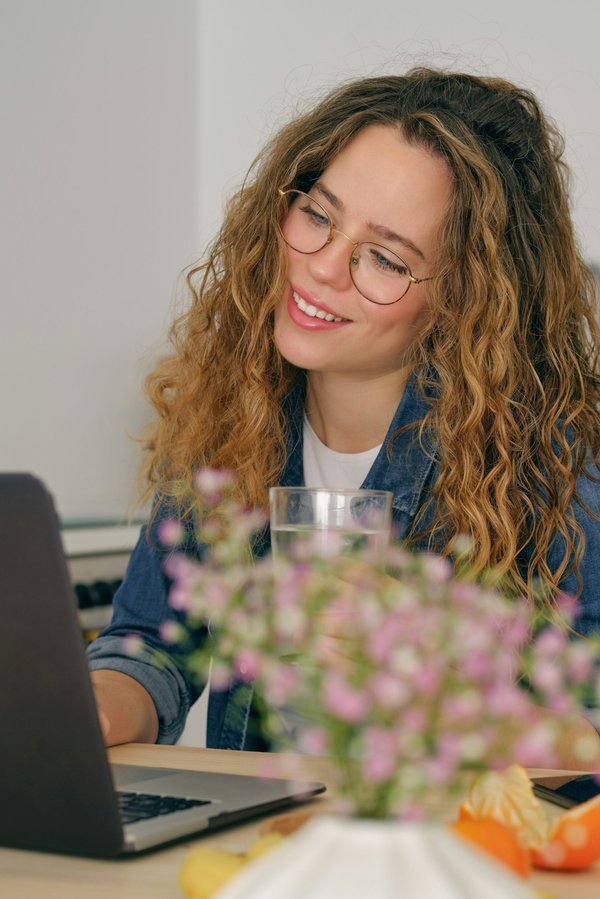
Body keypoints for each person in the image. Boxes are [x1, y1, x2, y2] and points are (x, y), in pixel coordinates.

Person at [88, 67, 600, 763]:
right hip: (276, 841)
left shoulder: (550, 465)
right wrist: (83, 709)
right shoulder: (230, 412)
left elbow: (586, 741)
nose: (324, 267)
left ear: (463, 300)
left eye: (386, 259)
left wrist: (441, 692)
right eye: (319, 216)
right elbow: (148, 645)